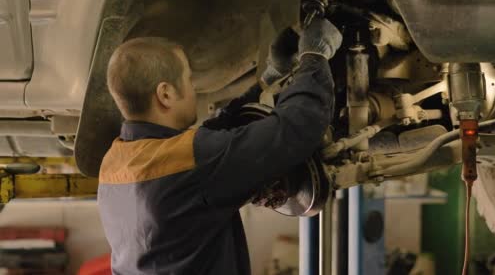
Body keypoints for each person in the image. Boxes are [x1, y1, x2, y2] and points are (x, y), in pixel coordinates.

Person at [97, 18, 342, 274]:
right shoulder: (188, 162)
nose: (194, 90)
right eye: (189, 79)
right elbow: (299, 126)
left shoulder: (114, 162)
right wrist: (315, 54)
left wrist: (270, 76)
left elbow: (214, 137)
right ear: (165, 94)